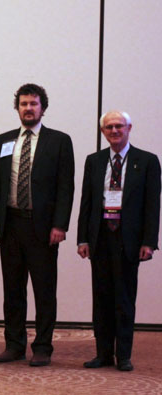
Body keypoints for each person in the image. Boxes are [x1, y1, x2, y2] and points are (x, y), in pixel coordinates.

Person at [0, 83, 74, 367]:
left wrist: (60, 224)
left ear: (43, 108)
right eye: (23, 104)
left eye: (33, 104)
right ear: (17, 108)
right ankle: (14, 344)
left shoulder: (59, 141)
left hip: (43, 227)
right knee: (12, 289)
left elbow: (65, 188)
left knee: (44, 290)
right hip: (10, 224)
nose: (28, 108)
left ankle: (43, 347)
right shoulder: (3, 140)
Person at [77, 110, 160, 372]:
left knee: (124, 298)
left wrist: (149, 241)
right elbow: (87, 203)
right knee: (101, 298)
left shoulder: (146, 161)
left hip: (129, 239)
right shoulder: (94, 160)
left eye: (119, 126)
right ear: (103, 132)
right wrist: (82, 238)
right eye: (109, 127)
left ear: (129, 128)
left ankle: (123, 355)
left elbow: (152, 206)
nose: (114, 131)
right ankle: (103, 354)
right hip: (100, 237)